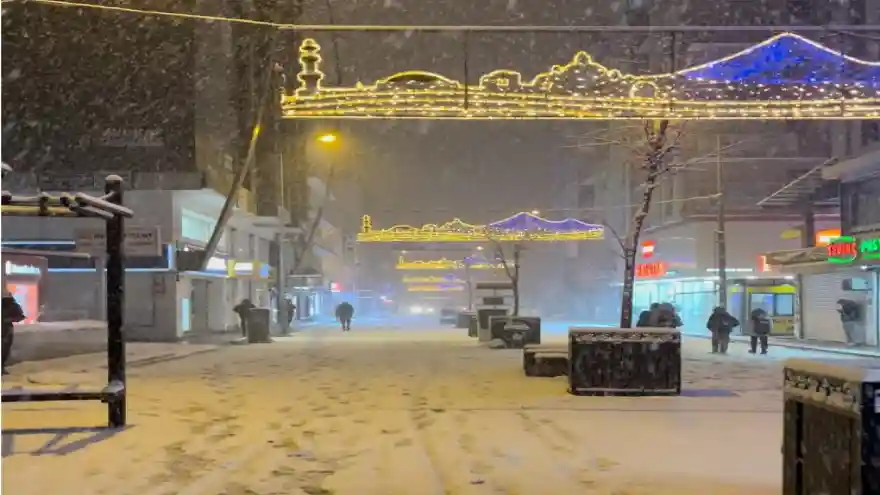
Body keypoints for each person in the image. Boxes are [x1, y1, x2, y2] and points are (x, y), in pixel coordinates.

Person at [2, 287, 26, 375]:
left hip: (6, 330)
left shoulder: (12, 305)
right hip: (6, 330)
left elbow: (20, 316)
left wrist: (8, 320)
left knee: (4, 349)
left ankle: (1, 367)